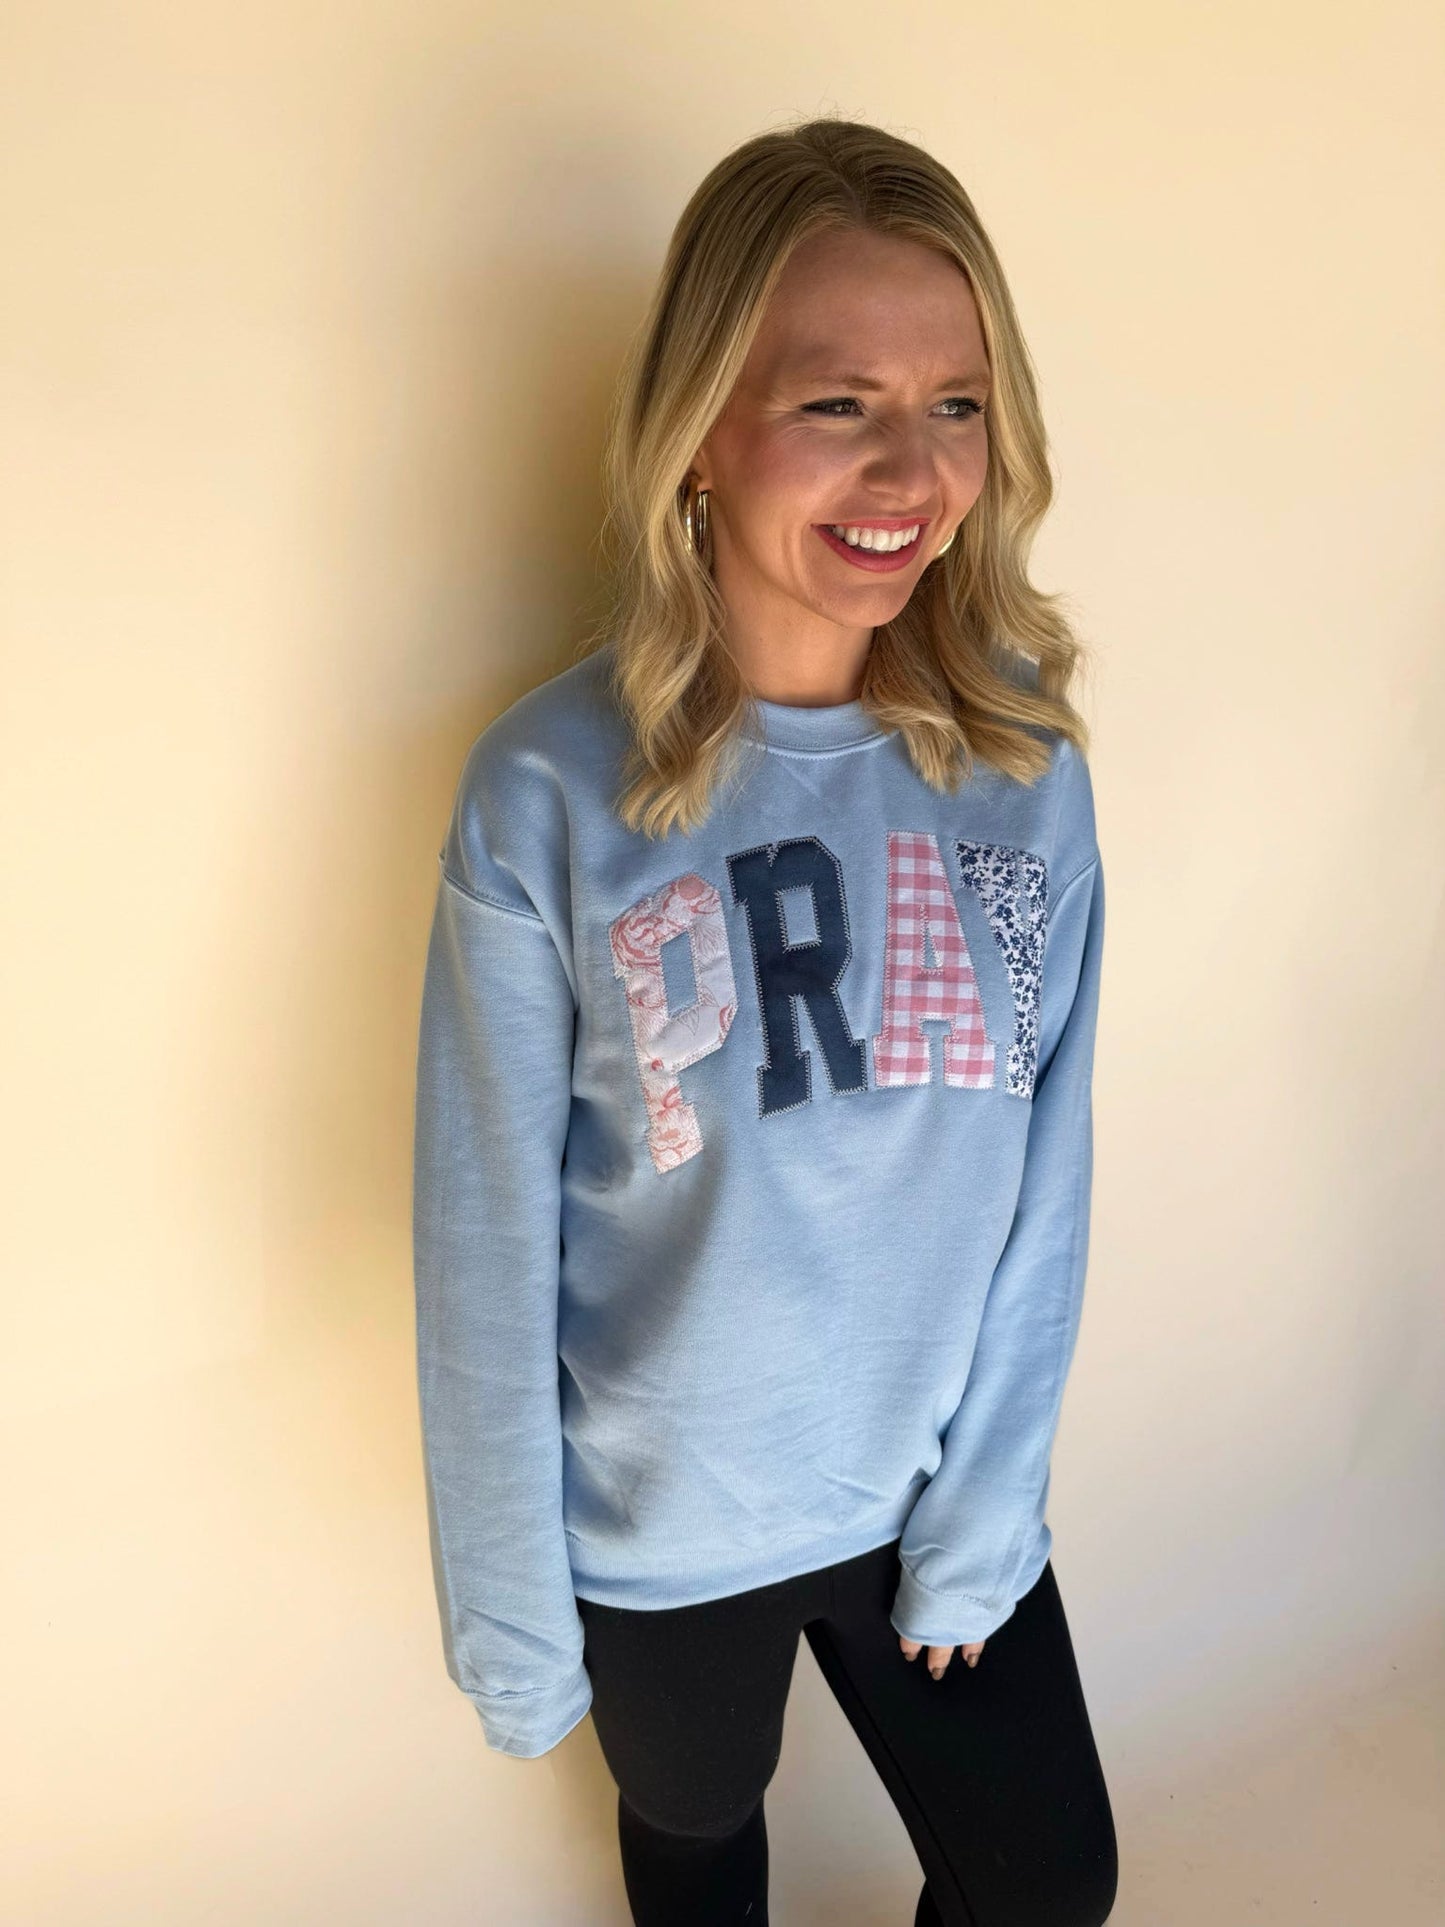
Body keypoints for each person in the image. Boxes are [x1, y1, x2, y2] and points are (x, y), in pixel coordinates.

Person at [412, 114, 1118, 1927]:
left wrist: (990, 1516)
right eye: (836, 402)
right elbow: (484, 1244)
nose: (911, 464)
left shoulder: (1018, 764)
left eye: (956, 401)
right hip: (665, 1537)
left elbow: (1047, 1172)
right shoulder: (547, 797)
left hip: (927, 1494)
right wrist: (509, 1613)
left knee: (1045, 1884)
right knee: (701, 1850)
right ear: (702, 432)